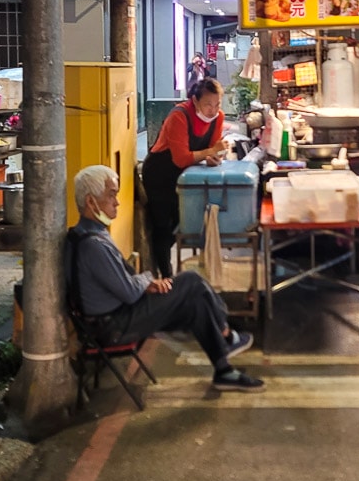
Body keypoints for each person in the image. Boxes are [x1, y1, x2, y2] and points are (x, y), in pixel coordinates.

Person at [71, 165, 264, 393]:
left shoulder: (86, 234)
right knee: (192, 282)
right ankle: (225, 336)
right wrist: (148, 281)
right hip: (114, 326)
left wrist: (146, 283)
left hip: (115, 316)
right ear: (91, 202)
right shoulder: (93, 245)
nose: (117, 202)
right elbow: (130, 291)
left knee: (194, 301)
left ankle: (224, 367)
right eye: (111, 195)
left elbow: (123, 283)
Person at [141, 79, 231, 281]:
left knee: (184, 221)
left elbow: (211, 149)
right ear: (195, 100)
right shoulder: (179, 116)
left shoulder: (218, 118)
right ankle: (166, 277)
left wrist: (214, 157)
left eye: (217, 104)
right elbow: (181, 157)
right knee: (163, 227)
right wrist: (211, 151)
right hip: (160, 173)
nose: (213, 110)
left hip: (188, 174)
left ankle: (189, 274)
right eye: (208, 104)